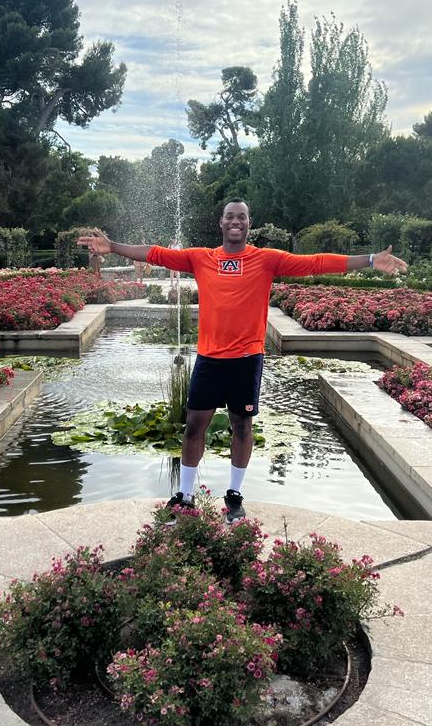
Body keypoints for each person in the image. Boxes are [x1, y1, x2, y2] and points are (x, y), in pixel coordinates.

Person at [78, 199, 407, 523]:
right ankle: (186, 495)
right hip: (209, 359)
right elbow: (155, 253)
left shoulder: (266, 260)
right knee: (194, 426)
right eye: (230, 217)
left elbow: (314, 262)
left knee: (241, 427)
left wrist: (368, 260)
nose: (236, 222)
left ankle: (234, 496)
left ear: (249, 224)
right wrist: (113, 247)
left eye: (242, 217)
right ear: (221, 223)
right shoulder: (201, 258)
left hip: (246, 360)